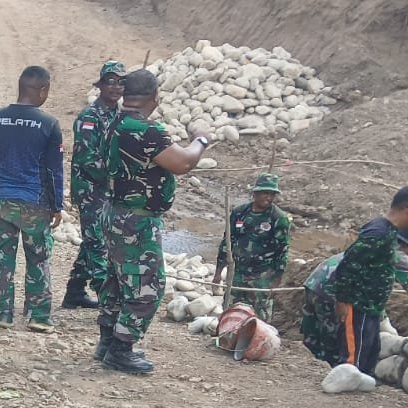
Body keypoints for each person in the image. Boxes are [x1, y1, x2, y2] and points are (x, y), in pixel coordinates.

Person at [94, 69, 212, 373]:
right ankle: (121, 349)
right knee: (148, 285)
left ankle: (108, 340)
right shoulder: (146, 129)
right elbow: (183, 162)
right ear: (154, 98)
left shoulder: (113, 121)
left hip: (114, 212)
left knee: (118, 280)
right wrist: (201, 140)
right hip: (137, 220)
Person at [0, 66, 66, 332]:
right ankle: (38, 316)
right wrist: (57, 206)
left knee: (3, 257)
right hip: (34, 203)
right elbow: (54, 170)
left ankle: (3, 313)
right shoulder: (49, 124)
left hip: (1, 201)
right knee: (38, 258)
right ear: (43, 89)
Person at [299, 227, 408, 368]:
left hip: (315, 282)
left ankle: (307, 375)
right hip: (333, 292)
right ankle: (330, 381)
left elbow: (372, 293)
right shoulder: (396, 255)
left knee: (313, 342)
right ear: (407, 246)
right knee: (337, 345)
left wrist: (383, 320)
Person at [63, 61, 125, 309]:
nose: (116, 87)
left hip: (108, 189)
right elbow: (88, 159)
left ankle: (74, 291)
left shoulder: (119, 114)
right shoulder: (89, 116)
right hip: (90, 189)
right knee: (98, 242)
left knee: (93, 239)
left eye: (121, 82)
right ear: (100, 85)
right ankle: (106, 297)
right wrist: (118, 176)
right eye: (111, 81)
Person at [212, 173, 293, 321]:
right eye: (265, 193)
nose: (268, 197)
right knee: (231, 313)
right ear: (255, 193)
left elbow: (282, 251)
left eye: (272, 194)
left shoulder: (278, 218)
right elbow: (227, 242)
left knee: (259, 318)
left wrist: (276, 281)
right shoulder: (239, 213)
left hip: (262, 276)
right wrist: (218, 272)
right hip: (237, 273)